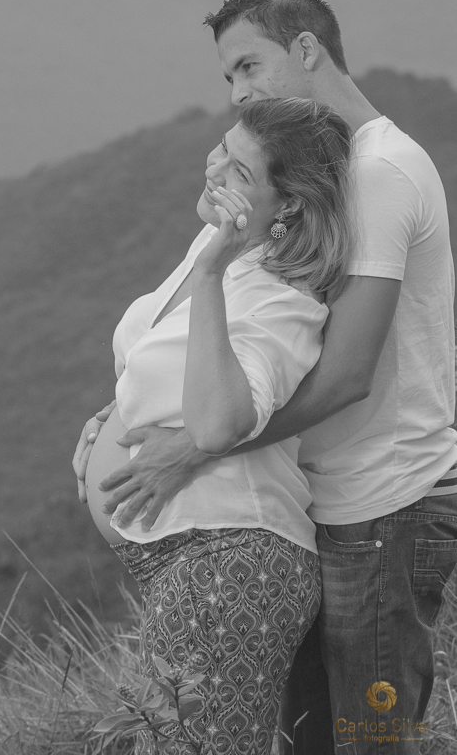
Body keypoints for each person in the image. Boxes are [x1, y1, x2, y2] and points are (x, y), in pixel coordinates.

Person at [74, 0, 457, 754]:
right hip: (335, 508)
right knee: (314, 739)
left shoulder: (378, 173)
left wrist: (197, 445)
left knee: (368, 740)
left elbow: (346, 373)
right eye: (229, 77)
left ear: (308, 48)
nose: (238, 94)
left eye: (249, 66)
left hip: (381, 507)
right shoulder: (332, 182)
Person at [81, 96, 354, 755]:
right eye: (220, 148)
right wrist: (109, 420)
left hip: (231, 563)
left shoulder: (281, 299)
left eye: (238, 170)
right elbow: (159, 357)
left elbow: (216, 424)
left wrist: (211, 273)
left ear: (286, 203)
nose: (213, 168)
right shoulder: (211, 240)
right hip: (183, 562)